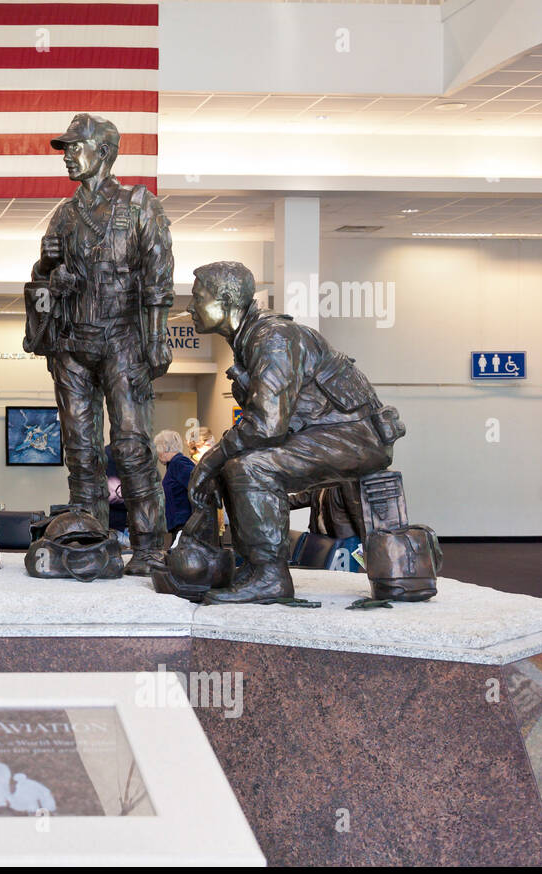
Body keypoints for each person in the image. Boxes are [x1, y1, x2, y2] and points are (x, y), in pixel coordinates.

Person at [186, 261, 400, 603]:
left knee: (250, 467)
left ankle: (270, 576)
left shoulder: (272, 338)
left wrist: (209, 460)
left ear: (225, 301)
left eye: (198, 297)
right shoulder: (251, 339)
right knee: (237, 462)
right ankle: (256, 568)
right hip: (330, 432)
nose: (189, 306)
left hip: (354, 436)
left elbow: (268, 425)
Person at [27, 113, 175, 574]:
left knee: (131, 446)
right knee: (80, 449)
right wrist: (49, 270)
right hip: (72, 343)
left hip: (122, 339)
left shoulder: (138, 205)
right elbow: (39, 282)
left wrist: (155, 336)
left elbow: (158, 276)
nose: (68, 155)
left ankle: (151, 543)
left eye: (76, 146)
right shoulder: (65, 215)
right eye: (65, 148)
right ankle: (91, 537)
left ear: (104, 152)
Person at [154, 429, 195, 534]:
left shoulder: (179, 463)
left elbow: (197, 486)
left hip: (183, 524)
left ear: (164, 448)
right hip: (179, 524)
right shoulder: (174, 465)